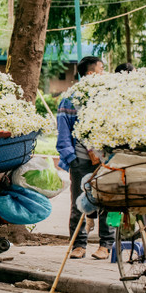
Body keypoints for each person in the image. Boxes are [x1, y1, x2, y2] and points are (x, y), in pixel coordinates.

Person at [56, 55, 114, 260]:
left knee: (107, 202)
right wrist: (72, 159)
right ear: (90, 74)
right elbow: (63, 135)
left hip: (106, 162)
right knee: (79, 203)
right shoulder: (70, 99)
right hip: (80, 161)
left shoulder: (107, 97)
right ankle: (78, 245)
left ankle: (106, 245)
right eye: (101, 69)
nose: (104, 73)